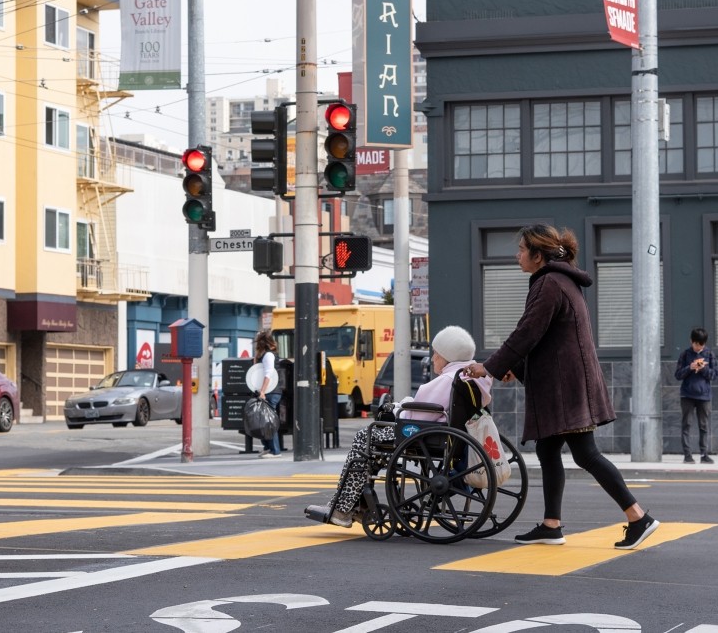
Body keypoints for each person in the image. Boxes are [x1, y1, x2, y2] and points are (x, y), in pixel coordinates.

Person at [464, 224, 660, 551]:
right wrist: (513, 366)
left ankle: (638, 517)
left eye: (522, 250)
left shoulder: (549, 284)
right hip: (568, 381)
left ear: (537, 256)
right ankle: (551, 525)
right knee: (548, 449)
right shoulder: (562, 280)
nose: (517, 255)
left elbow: (526, 333)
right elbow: (546, 339)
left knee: (586, 454)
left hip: (564, 386)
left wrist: (489, 367)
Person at [306, 325, 491, 527]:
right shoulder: (474, 378)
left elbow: (417, 413)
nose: (434, 358)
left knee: (364, 436)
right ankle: (357, 503)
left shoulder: (446, 380)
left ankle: (343, 508)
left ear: (447, 356)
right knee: (372, 445)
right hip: (450, 435)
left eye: (436, 353)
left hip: (425, 435)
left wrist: (396, 408)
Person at [675, 327, 718, 464]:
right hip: (687, 395)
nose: (698, 347)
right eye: (696, 344)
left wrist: (703, 368)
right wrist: (690, 367)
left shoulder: (709, 354)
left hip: (704, 396)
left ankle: (704, 454)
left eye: (701, 344)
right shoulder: (685, 354)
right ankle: (687, 455)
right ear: (691, 341)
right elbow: (678, 375)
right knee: (686, 425)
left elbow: (714, 375)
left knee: (703, 426)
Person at [253, 329, 283, 459]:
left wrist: (263, 391)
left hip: (271, 391)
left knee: (269, 422)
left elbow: (268, 374)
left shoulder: (269, 356)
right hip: (269, 391)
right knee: (264, 421)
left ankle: (275, 450)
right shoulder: (265, 355)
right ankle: (269, 447)